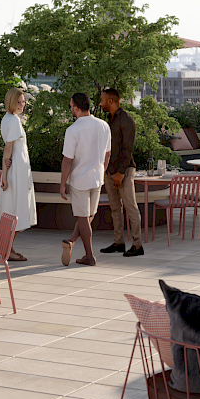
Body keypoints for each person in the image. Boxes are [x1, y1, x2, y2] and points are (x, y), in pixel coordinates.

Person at [58, 91, 112, 266]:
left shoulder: (73, 130)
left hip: (80, 180)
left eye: (71, 106)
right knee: (88, 217)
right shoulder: (104, 125)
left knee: (83, 218)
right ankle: (72, 242)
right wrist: (101, 171)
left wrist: (62, 183)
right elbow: (108, 154)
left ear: (75, 107)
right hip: (97, 178)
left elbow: (67, 160)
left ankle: (89, 256)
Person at [99, 88, 144, 259]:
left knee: (130, 206)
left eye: (102, 100)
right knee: (115, 208)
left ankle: (137, 244)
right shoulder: (108, 121)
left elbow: (128, 150)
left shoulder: (127, 121)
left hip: (123, 171)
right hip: (109, 170)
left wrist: (120, 173)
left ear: (110, 101)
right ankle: (118, 242)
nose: (100, 103)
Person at [0, 88, 36, 261]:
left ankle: (7, 248)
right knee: (18, 211)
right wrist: (5, 176)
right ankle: (5, 248)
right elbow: (8, 148)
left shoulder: (8, 119)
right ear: (11, 102)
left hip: (17, 168)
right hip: (18, 170)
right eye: (19, 102)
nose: (22, 105)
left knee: (13, 210)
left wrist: (5, 172)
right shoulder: (13, 120)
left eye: (23, 102)